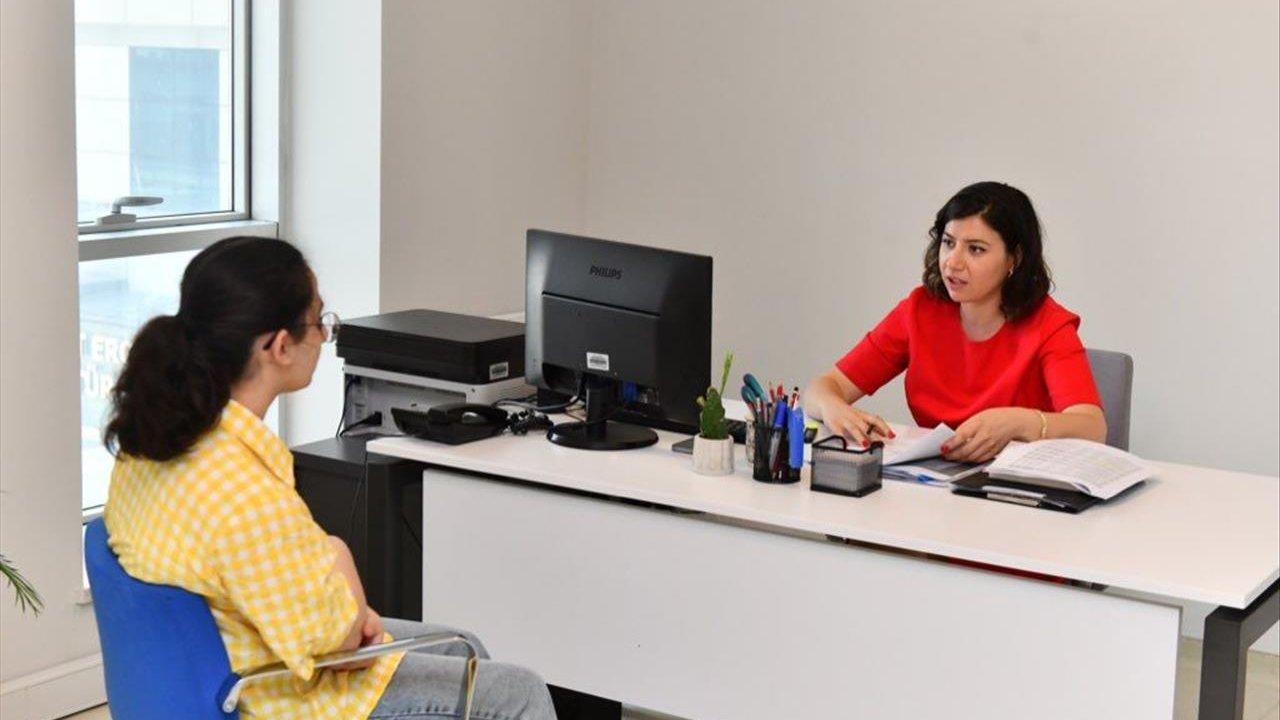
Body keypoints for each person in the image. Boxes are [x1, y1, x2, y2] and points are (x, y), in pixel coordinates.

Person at [102, 236, 555, 720]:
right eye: (318, 321)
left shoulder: (150, 441)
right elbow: (338, 645)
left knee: (461, 648)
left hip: (230, 656)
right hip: (279, 697)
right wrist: (339, 558)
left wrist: (350, 611)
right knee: (518, 692)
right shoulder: (243, 494)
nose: (324, 334)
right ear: (278, 346)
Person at [806, 181, 1106, 463]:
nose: (953, 262)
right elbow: (823, 388)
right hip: (933, 481)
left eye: (976, 249)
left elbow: (1093, 427)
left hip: (1017, 488)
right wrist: (835, 408)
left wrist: (1018, 422)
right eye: (948, 243)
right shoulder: (919, 310)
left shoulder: (1050, 325)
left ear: (1014, 259)